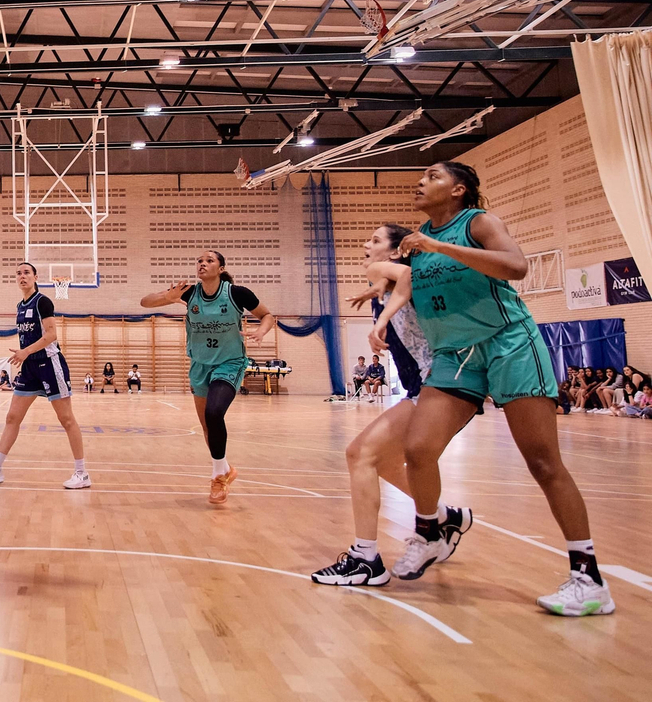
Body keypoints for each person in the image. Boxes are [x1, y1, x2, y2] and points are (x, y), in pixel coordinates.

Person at [394, 161, 613, 616]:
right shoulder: (418, 241)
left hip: (508, 343)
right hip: (455, 356)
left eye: (433, 176)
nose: (421, 181)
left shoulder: (477, 223)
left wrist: (436, 244)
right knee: (417, 449)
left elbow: (516, 266)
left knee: (542, 461)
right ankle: (432, 533)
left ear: (458, 190)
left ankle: (588, 577)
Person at [311, 223, 473, 588]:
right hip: (431, 387)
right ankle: (443, 517)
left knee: (359, 455)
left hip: (442, 385)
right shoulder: (382, 286)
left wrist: (382, 314)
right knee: (380, 461)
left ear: (397, 250)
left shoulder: (397, 272)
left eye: (375, 240)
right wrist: (379, 296)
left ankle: (365, 558)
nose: (365, 244)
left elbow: (409, 277)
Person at [139, 251, 276, 504]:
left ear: (221, 268)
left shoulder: (236, 293)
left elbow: (267, 315)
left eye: (209, 260)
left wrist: (261, 331)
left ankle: (217, 477)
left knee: (214, 413)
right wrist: (167, 297)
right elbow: (144, 303)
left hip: (229, 363)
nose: (202, 264)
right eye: (199, 260)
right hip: (200, 365)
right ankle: (225, 468)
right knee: (206, 425)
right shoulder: (189, 293)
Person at [0, 262, 90, 490]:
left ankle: (81, 473)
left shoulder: (42, 302)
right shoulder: (20, 305)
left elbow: (52, 334)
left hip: (49, 363)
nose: (22, 276)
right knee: (12, 418)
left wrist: (26, 352)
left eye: (26, 272)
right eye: (18, 273)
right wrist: (25, 355)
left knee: (66, 419)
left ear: (35, 276)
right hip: (29, 367)